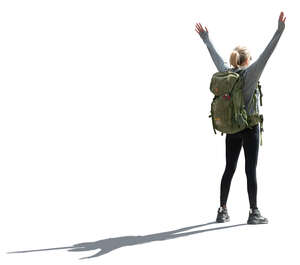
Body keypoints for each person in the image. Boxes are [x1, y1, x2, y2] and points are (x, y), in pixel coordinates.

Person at [195, 12, 286, 224]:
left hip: (232, 129)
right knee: (250, 170)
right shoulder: (250, 74)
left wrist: (206, 40)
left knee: (229, 168)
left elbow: (216, 58)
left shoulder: (228, 73)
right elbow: (267, 53)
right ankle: (254, 212)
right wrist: (279, 31)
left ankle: (222, 210)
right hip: (250, 128)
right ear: (247, 61)